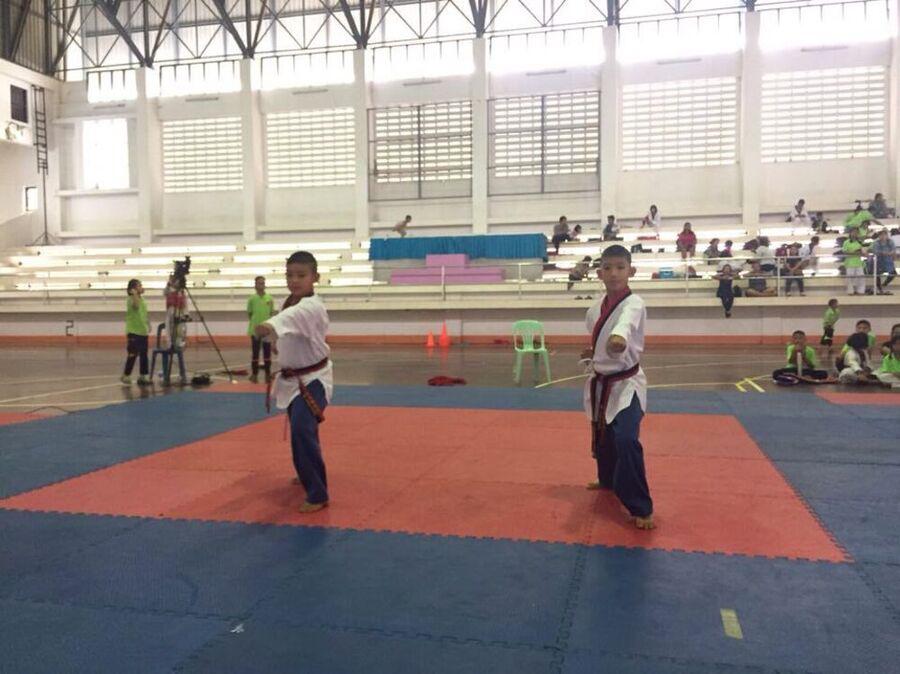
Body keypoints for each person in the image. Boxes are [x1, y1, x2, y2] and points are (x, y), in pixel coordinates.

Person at [254, 251, 333, 514]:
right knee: (303, 429)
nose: (294, 280)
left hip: (314, 379)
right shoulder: (289, 301)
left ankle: (318, 493)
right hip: (292, 379)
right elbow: (288, 329)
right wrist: (277, 342)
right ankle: (306, 471)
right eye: (289, 275)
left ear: (315, 277)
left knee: (301, 428)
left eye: (301, 275)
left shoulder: (311, 307)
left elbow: (288, 320)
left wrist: (267, 326)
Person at [581, 245, 654, 530]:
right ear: (599, 273)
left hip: (626, 384)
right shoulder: (595, 308)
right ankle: (607, 479)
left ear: (631, 271)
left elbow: (624, 325)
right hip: (602, 381)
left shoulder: (634, 303)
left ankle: (641, 507)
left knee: (625, 439)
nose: (614, 273)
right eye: (608, 268)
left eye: (620, 268)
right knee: (603, 436)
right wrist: (593, 353)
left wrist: (618, 339)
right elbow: (597, 336)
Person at [122, 279, 151, 386]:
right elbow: (136, 306)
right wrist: (134, 294)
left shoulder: (142, 299)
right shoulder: (130, 299)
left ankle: (143, 375)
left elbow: (144, 313)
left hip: (142, 331)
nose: (141, 287)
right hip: (133, 331)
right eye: (139, 286)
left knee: (144, 355)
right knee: (133, 354)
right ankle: (126, 375)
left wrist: (148, 323)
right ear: (133, 289)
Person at [247, 276, 276, 383]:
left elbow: (271, 313)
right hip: (255, 330)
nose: (262, 285)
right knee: (255, 353)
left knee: (267, 353)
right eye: (259, 283)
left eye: (263, 283)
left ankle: (268, 374)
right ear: (255, 285)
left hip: (267, 330)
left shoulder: (269, 298)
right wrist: (256, 325)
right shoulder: (251, 299)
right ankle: (254, 374)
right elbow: (250, 314)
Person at [842, 228, 868, 295]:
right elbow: (844, 252)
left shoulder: (859, 242)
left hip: (859, 262)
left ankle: (861, 291)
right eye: (853, 232)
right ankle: (850, 291)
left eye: (856, 232)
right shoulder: (846, 242)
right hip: (850, 262)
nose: (855, 234)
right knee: (849, 278)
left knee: (861, 277)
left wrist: (863, 253)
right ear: (850, 233)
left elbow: (863, 252)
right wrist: (854, 252)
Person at [872, 229, 896, 295]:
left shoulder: (890, 241)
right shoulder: (876, 242)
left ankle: (884, 285)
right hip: (879, 261)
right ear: (879, 236)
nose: (883, 236)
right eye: (881, 235)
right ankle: (880, 289)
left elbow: (893, 250)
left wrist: (890, 253)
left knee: (893, 273)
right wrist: (884, 253)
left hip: (888, 260)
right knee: (877, 274)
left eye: (884, 234)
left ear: (887, 235)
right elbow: (875, 251)